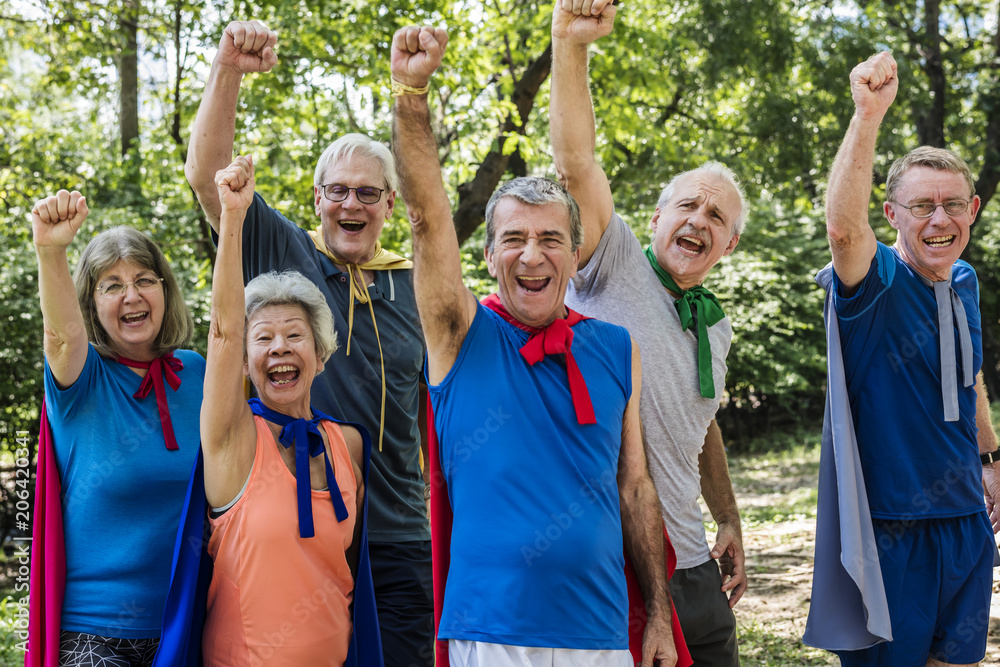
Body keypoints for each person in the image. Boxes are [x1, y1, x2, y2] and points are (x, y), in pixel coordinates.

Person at [391, 24, 681, 667]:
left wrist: (658, 615)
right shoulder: (459, 333)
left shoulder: (615, 346)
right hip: (492, 631)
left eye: (551, 238)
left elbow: (634, 488)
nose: (532, 253)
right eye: (514, 238)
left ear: (575, 255)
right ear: (490, 255)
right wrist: (411, 94)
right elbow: (425, 216)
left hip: (602, 632)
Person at [184, 21, 432, 665]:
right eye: (338, 191)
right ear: (317, 199)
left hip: (399, 535)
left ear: (388, 203)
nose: (352, 203)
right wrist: (229, 68)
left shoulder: (414, 285)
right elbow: (208, 173)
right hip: (290, 523)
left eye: (368, 193)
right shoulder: (287, 253)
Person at [548, 2, 747, 664]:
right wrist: (572, 46)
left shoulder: (715, 328)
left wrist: (728, 516)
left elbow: (704, 426)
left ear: (730, 242)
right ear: (659, 214)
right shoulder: (613, 261)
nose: (699, 220)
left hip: (694, 569)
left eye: (716, 215)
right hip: (615, 563)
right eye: (688, 204)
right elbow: (577, 164)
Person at [803, 51, 1000, 666]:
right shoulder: (876, 279)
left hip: (967, 520)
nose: (940, 219)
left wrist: (991, 457)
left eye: (953, 204)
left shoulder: (963, 279)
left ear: (971, 210)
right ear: (892, 216)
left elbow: (969, 375)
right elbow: (842, 231)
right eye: (921, 207)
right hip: (891, 530)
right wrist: (867, 115)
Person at [199, 154, 378, 664]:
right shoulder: (232, 438)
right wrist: (233, 218)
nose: (279, 347)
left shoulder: (349, 445)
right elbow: (224, 331)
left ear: (320, 357)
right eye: (264, 338)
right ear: (246, 361)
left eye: (295, 336)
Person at [28, 190, 204, 666]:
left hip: (189, 622)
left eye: (145, 279)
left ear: (165, 290)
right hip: (96, 632)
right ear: (91, 301)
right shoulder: (80, 381)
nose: (132, 295)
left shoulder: (197, 373)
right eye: (111, 285)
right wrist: (51, 249)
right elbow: (62, 335)